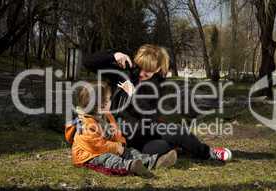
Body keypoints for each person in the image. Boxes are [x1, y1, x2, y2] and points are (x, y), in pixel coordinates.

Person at [83, 44, 232, 162]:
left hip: (139, 135)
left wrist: (133, 95)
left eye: (147, 71)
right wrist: (114, 55)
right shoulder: (124, 73)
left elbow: (149, 117)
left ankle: (207, 153)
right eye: (140, 67)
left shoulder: (157, 88)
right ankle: (132, 154)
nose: (141, 73)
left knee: (168, 140)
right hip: (115, 133)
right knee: (169, 142)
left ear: (158, 69)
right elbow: (88, 62)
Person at [65, 81, 177, 177]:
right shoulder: (84, 124)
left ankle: (155, 162)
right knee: (108, 159)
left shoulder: (107, 116)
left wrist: (121, 143)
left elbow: (116, 132)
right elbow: (96, 146)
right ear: (100, 104)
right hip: (89, 156)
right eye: (108, 100)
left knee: (131, 152)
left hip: (110, 147)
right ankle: (130, 166)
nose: (110, 102)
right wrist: (116, 148)